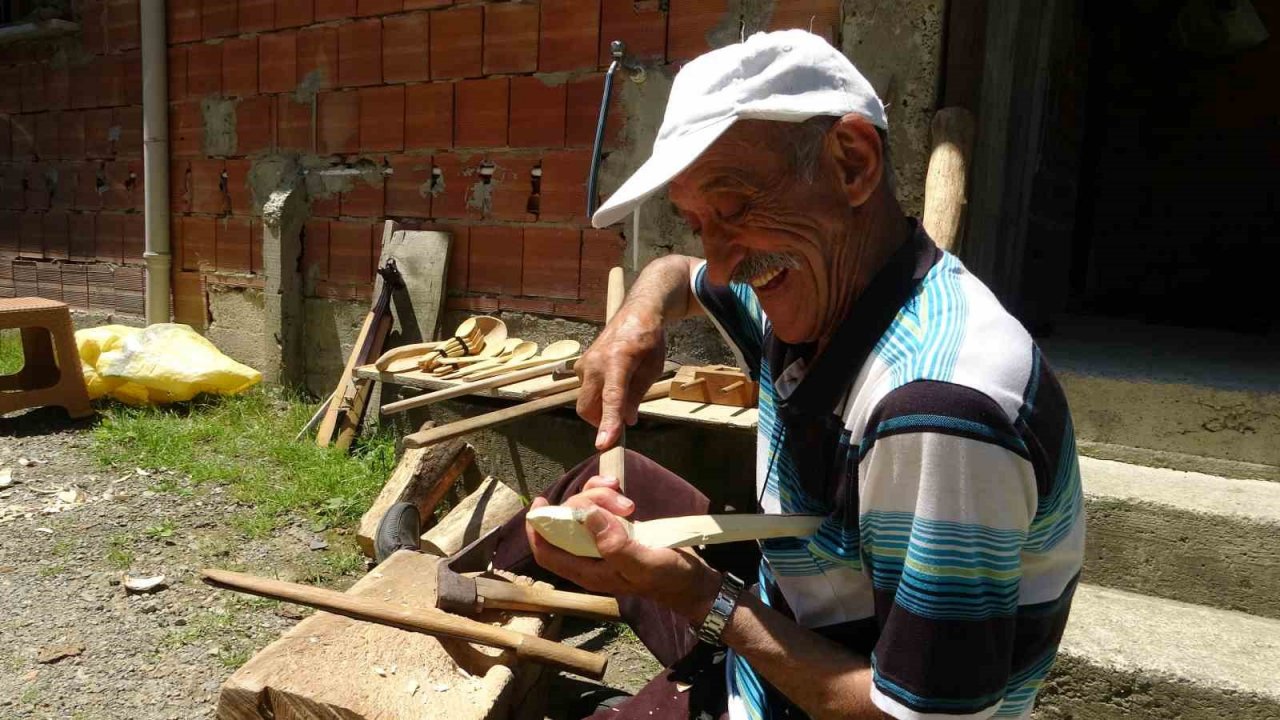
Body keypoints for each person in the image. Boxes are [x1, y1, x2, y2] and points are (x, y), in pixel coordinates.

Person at [490, 29, 1085, 720]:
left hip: (821, 697)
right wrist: (637, 317)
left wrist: (702, 600)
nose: (720, 258)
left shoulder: (937, 409)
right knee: (583, 498)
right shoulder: (815, 284)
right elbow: (682, 276)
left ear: (852, 162)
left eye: (735, 206)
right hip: (785, 626)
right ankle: (486, 581)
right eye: (695, 221)